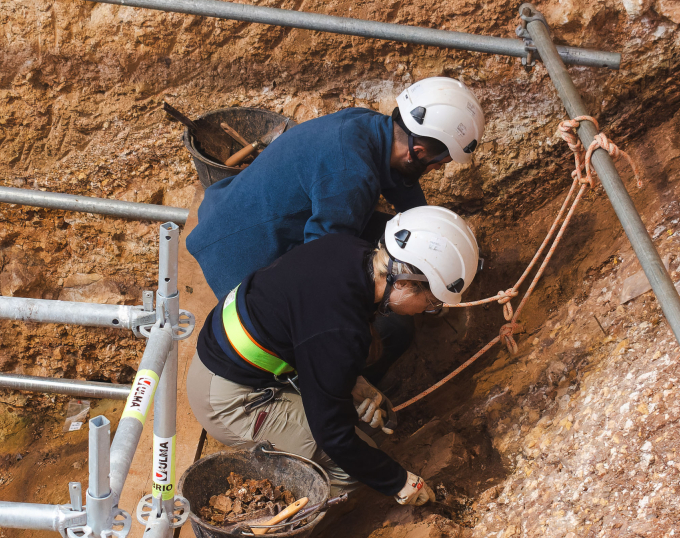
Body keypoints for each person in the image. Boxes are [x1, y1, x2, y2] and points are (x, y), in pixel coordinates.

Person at [186, 78, 485, 383]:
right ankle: (339, 393)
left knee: (390, 235)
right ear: (418, 152)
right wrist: (363, 328)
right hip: (238, 259)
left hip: (236, 213)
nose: (437, 169)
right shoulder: (351, 176)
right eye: (438, 164)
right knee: (393, 330)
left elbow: (406, 194)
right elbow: (320, 271)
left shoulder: (367, 126)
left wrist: (442, 251)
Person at [186, 206, 480, 504]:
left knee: (371, 429)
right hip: (229, 398)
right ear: (403, 282)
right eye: (431, 302)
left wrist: (356, 383)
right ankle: (271, 516)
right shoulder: (339, 330)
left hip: (241, 358)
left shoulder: (350, 249)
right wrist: (398, 482)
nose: (428, 310)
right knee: (347, 471)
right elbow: (333, 436)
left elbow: (310, 327)